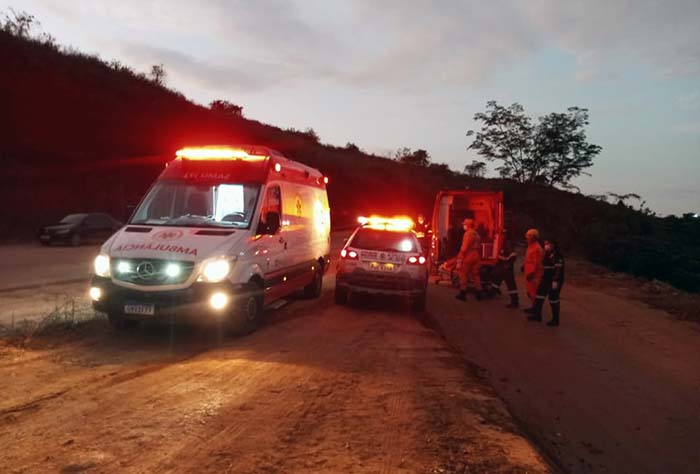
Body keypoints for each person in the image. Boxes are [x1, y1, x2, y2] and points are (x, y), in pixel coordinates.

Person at [527, 239, 565, 326]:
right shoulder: (547, 254)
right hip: (546, 278)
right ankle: (537, 315)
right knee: (539, 296)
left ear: (553, 245)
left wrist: (555, 281)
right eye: (545, 244)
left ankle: (555, 320)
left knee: (553, 300)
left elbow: (558, 269)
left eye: (547, 244)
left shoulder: (557, 255)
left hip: (554, 280)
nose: (546, 246)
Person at [455, 218, 483, 301]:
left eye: (464, 225)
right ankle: (479, 293)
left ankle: (463, 294)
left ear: (467, 225)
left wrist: (460, 257)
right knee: (475, 275)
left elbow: (464, 247)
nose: (463, 226)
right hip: (476, 255)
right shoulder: (476, 234)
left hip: (468, 255)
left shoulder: (468, 234)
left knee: (463, 273)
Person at [492, 237, 519, 308]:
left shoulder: (508, 244)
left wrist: (508, 264)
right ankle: (491, 293)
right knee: (496, 281)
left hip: (506, 268)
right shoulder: (505, 243)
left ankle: (515, 302)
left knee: (511, 285)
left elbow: (512, 256)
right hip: (503, 267)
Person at [522, 228, 543, 307]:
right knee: (530, 292)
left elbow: (537, 263)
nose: (527, 238)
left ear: (534, 237)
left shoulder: (537, 248)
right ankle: (534, 307)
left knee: (534, 292)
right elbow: (529, 259)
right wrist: (524, 266)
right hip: (529, 273)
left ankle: (536, 311)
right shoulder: (531, 246)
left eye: (529, 236)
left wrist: (531, 273)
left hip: (534, 275)